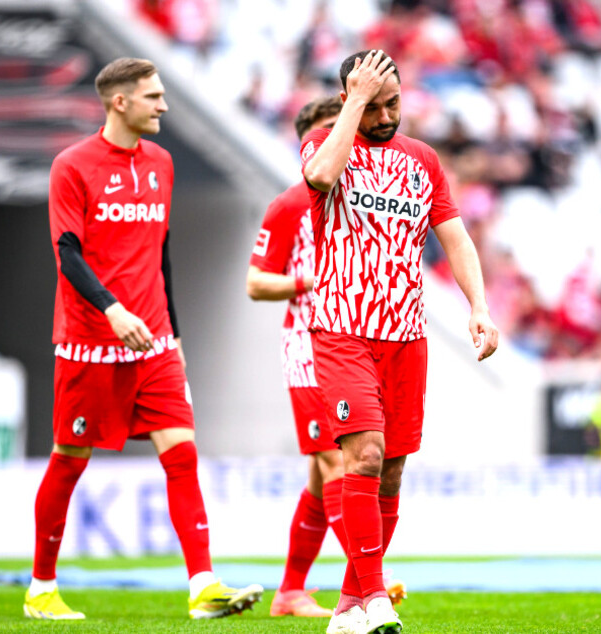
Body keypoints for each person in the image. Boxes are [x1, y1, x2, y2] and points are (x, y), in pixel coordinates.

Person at [24, 57, 262, 620]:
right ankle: (40, 588)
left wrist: (173, 334)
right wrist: (110, 310)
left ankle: (204, 587)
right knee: (70, 459)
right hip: (89, 340)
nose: (164, 106)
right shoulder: (71, 165)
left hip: (153, 340)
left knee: (181, 456)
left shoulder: (161, 162)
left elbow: (160, 252)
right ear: (120, 102)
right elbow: (68, 254)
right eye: (153, 97)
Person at [301, 49, 499, 634]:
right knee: (360, 456)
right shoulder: (325, 144)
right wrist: (355, 101)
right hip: (342, 330)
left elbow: (456, 241)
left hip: (405, 336)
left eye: (394, 102)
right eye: (374, 104)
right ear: (349, 102)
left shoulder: (423, 161)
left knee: (389, 472)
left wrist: (479, 308)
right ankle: (377, 597)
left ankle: (347, 605)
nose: (387, 115)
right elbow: (319, 178)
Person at [248, 95, 404, 618]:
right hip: (310, 345)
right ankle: (366, 580)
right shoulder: (292, 203)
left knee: (323, 474)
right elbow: (255, 282)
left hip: (359, 338)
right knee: (335, 460)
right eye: (327, 133)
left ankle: (292, 589)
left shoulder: (367, 197)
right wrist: (309, 281)